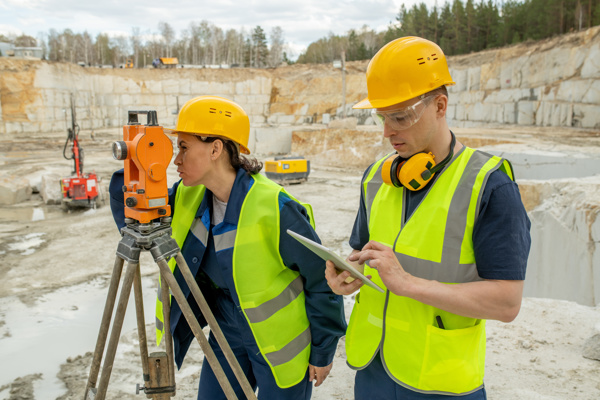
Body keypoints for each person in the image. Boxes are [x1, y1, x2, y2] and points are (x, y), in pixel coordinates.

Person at [324, 37, 531, 399]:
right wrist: (347, 273)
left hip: (441, 380)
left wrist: (407, 284)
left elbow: (506, 303)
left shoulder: (489, 186)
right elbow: (365, 254)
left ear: (440, 105)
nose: (387, 132)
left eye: (400, 116)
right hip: (373, 369)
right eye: (382, 117)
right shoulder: (376, 178)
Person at [109, 95, 347, 399]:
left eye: (183, 147)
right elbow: (132, 210)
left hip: (279, 343)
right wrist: (134, 160)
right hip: (227, 332)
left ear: (216, 148)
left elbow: (322, 278)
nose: (175, 160)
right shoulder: (188, 195)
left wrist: (323, 351)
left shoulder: (274, 207)